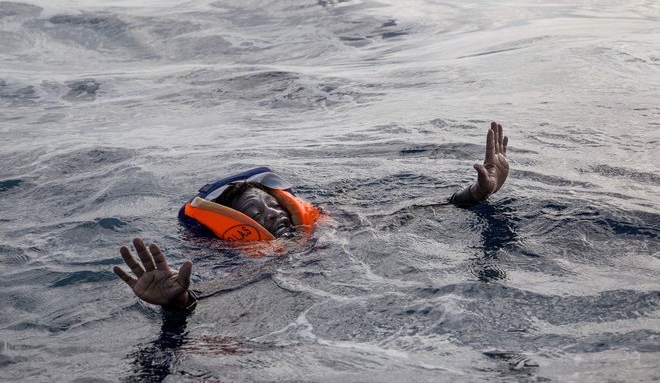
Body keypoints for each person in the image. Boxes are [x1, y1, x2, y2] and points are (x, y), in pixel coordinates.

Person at [113, 122, 509, 311]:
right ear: (239, 229)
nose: (271, 213)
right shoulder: (254, 268)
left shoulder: (337, 230)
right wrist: (177, 302)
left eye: (272, 203)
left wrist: (476, 193)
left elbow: (413, 215)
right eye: (254, 212)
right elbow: (210, 294)